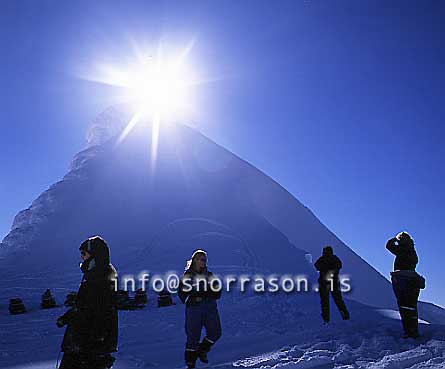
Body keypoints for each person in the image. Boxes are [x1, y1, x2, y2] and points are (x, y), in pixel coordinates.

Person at [57, 236, 118, 369]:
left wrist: (97, 339)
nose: (82, 257)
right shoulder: (92, 275)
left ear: (95, 254)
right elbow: (83, 306)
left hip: (89, 346)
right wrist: (67, 317)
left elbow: (103, 310)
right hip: (81, 342)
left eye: (84, 253)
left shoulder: (103, 276)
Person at [178, 250, 222, 369]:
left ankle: (202, 350)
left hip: (210, 308)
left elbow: (218, 292)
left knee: (216, 332)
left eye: (205, 259)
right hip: (194, 310)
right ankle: (190, 364)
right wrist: (193, 298)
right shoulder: (187, 276)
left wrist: (210, 293)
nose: (204, 262)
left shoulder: (210, 275)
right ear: (195, 260)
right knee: (193, 337)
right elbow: (182, 294)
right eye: (201, 259)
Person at [386, 231, 424, 338]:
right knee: (411, 306)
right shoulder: (412, 251)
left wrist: (395, 239)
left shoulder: (402, 250)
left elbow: (388, 245)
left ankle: (408, 331)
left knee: (404, 306)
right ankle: (413, 330)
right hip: (412, 281)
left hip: (401, 280)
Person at [314, 246, 350, 323]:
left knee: (325, 301)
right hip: (333, 282)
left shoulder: (323, 259)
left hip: (325, 282)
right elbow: (339, 266)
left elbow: (316, 266)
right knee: (337, 300)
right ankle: (345, 316)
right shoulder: (334, 259)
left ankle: (326, 319)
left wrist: (324, 267)